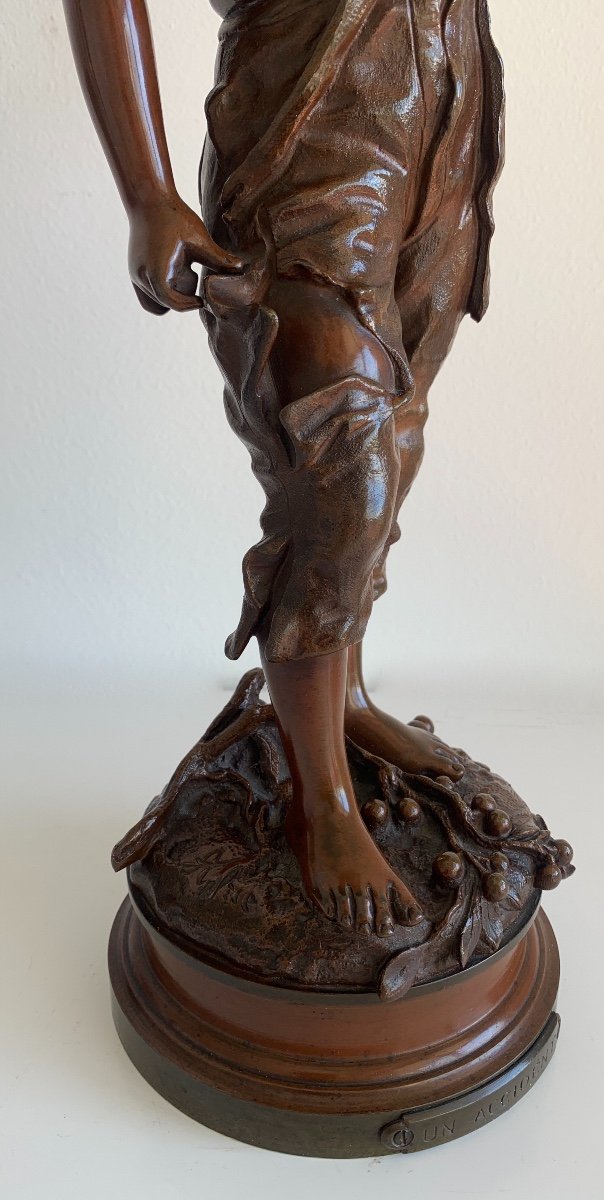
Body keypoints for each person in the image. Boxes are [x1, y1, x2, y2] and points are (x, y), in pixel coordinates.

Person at [63, 0, 504, 937]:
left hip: (445, 90)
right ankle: (320, 800)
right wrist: (146, 190)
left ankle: (345, 698)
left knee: (398, 436)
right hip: (305, 126)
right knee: (343, 470)